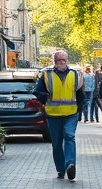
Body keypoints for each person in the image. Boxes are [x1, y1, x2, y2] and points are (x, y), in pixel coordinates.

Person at [31, 50, 84, 180]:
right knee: (57, 143)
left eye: (63, 60)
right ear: (54, 61)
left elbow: (80, 94)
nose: (61, 62)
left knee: (69, 137)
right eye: (59, 60)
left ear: (67, 61)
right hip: (53, 115)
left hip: (71, 114)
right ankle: (60, 169)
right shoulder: (47, 74)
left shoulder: (75, 74)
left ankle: (70, 164)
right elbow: (37, 91)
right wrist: (45, 97)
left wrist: (80, 111)